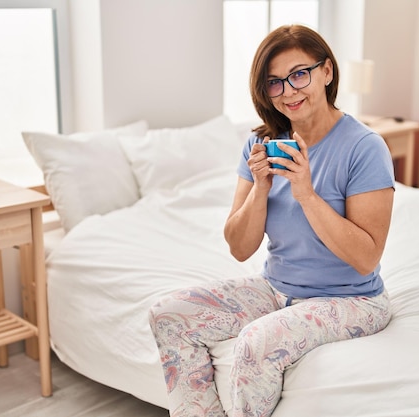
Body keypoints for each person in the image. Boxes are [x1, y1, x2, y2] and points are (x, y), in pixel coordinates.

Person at [149, 24, 395, 417]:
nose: (289, 91)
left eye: (300, 74)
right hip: (277, 288)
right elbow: (239, 246)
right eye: (275, 82)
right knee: (167, 314)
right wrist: (261, 187)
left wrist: (306, 193)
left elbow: (366, 258)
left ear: (327, 72)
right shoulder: (261, 143)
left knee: (255, 342)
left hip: (352, 300)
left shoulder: (365, 148)